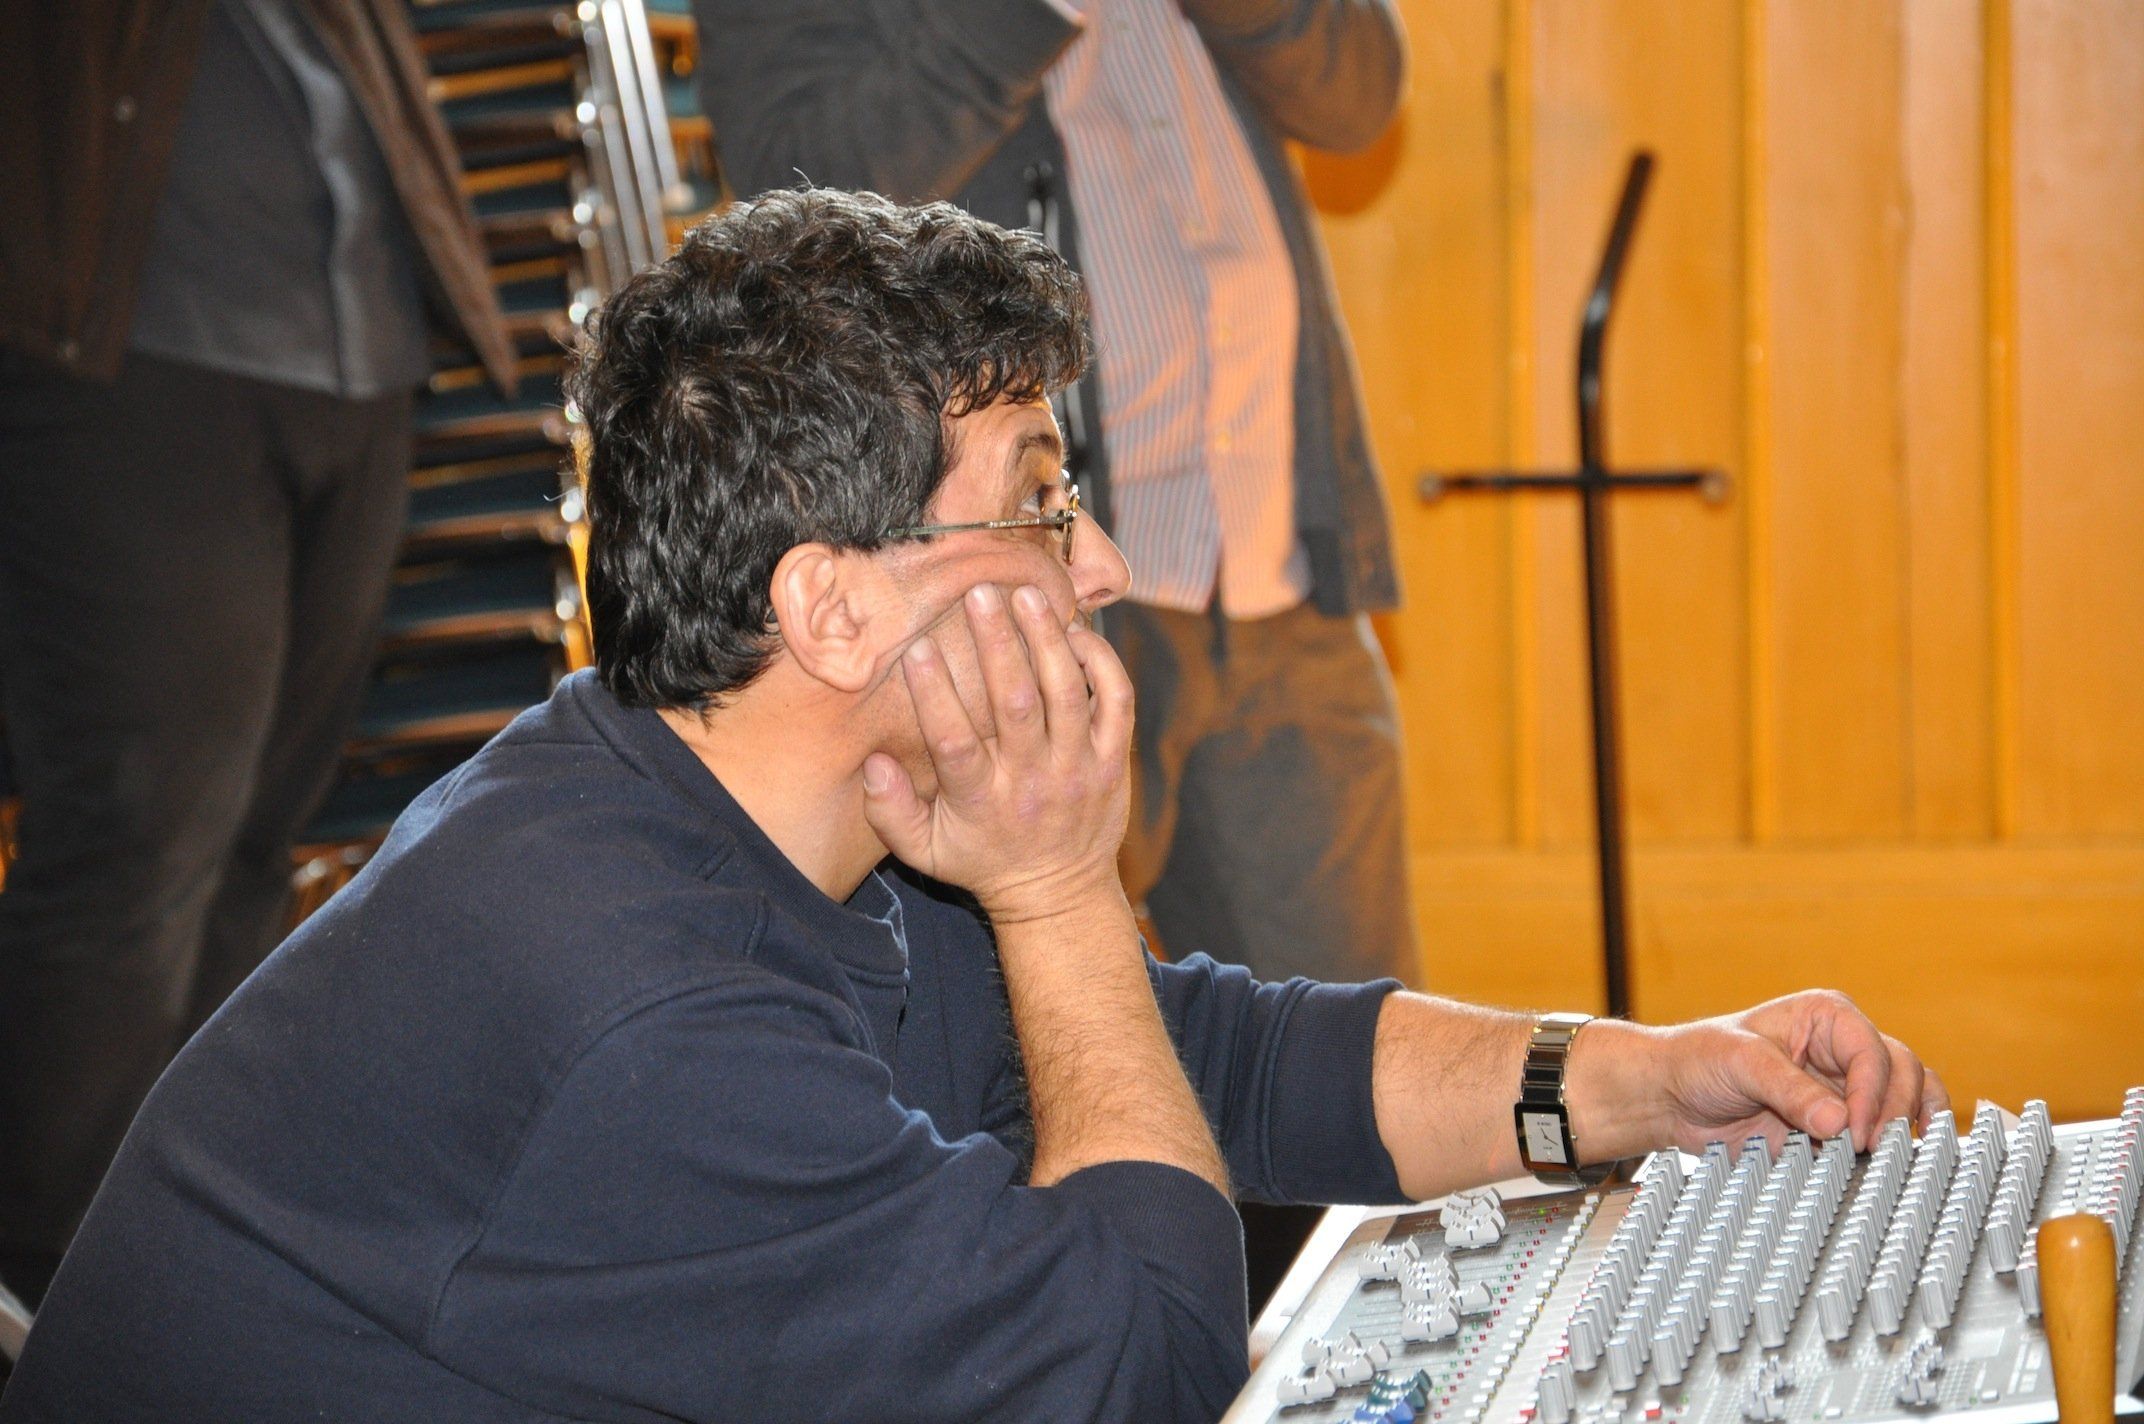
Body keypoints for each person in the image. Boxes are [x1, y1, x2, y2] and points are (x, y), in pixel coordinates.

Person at [0, 191, 1942, 1423]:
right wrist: (1059, 884)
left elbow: (1196, 1060)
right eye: (1034, 496)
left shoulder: (779, 806)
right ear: (833, 606)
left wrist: (1633, 1083)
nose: (1094, 564)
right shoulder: (631, 998)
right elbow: (1138, 1369)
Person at [692, 0, 1417, 990]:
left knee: (1343, 1049)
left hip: (1278, 554)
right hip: (1013, 596)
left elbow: (1359, 97)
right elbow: (795, 185)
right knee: (1023, 1038)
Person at [0, 0, 514, 1307]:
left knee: (255, 842)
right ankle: (46, 1288)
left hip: (356, 353)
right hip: (135, 350)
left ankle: (182, 1247)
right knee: (136, 843)